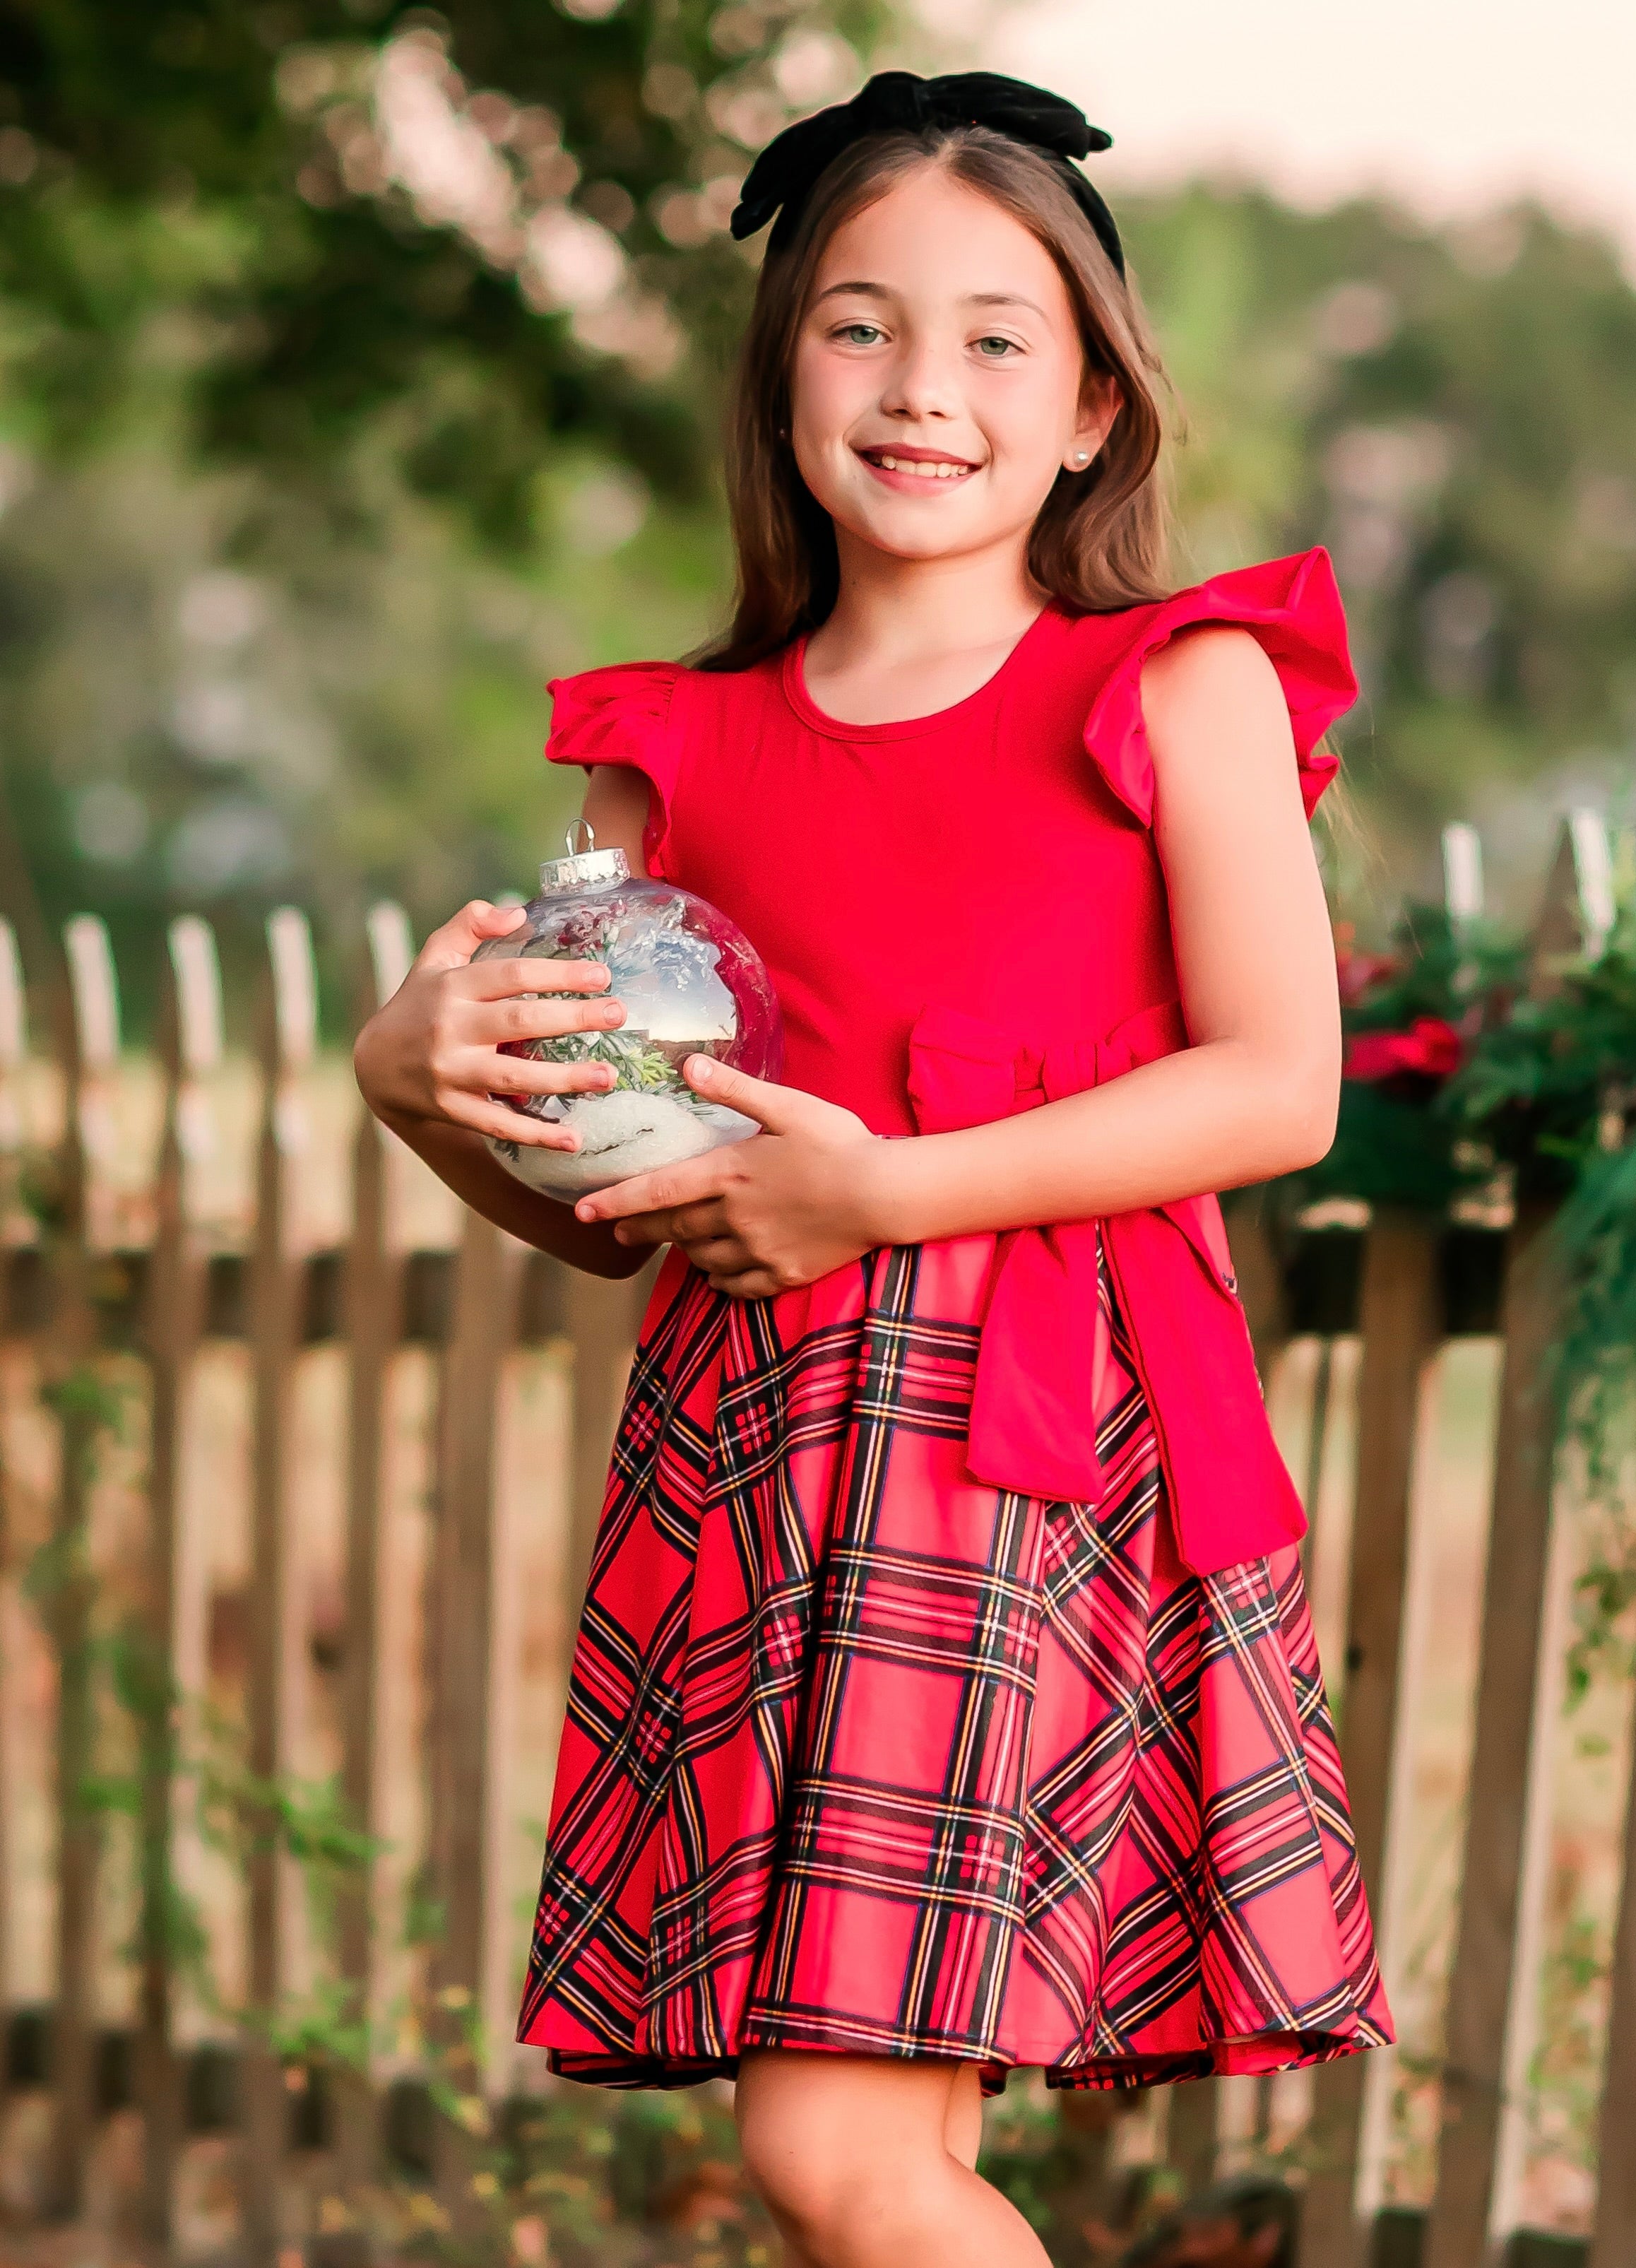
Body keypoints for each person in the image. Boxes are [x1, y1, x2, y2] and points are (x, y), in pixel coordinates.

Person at [352, 68, 1390, 2267]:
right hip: (756, 1447)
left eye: (997, 336)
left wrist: (890, 1195)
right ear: (779, 375)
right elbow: (607, 1203)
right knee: (849, 2147)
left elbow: (1279, 1084)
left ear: (1096, 403)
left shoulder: (1169, 682)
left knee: (839, 2159)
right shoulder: (668, 758)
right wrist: (418, 1090)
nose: (924, 387)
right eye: (858, 324)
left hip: (1022, 1440)